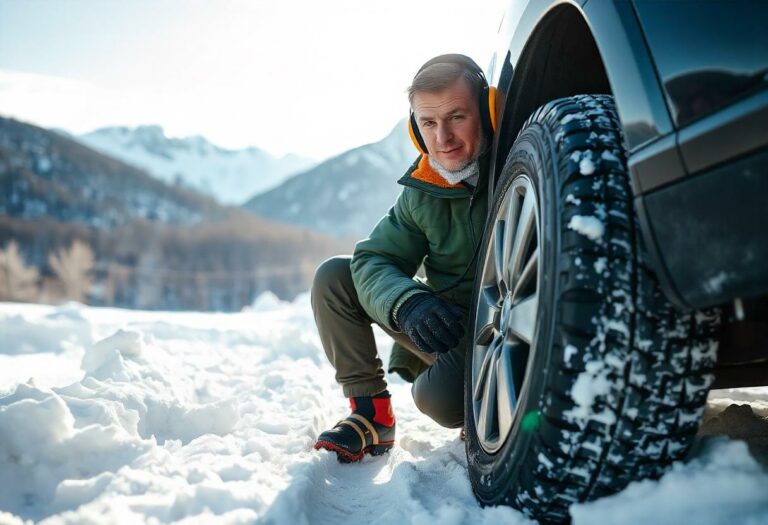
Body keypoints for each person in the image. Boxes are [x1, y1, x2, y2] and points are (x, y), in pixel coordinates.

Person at [311, 54, 495, 463]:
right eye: (428, 123)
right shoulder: (422, 188)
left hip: (506, 323)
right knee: (336, 276)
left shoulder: (523, 162)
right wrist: (408, 302)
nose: (442, 137)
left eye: (456, 117)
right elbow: (373, 260)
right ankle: (371, 417)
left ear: (486, 112)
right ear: (415, 128)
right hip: (445, 327)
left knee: (437, 400)